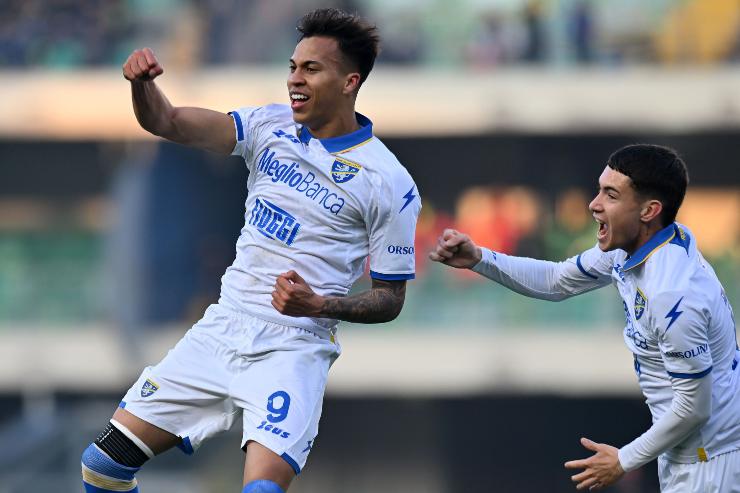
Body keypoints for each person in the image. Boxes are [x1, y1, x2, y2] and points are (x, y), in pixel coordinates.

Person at [81, 8, 421, 493]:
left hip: (293, 346)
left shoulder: (389, 183)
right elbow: (167, 121)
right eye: (293, 67)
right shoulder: (267, 125)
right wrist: (142, 86)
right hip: (223, 326)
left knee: (261, 490)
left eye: (311, 69)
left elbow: (390, 299)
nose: (295, 79)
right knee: (102, 467)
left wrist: (319, 305)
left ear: (350, 82)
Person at [430, 144, 739, 492]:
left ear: (649, 211)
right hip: (689, 454)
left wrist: (623, 460)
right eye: (599, 190)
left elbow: (695, 407)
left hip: (710, 463)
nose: (594, 204)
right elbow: (557, 279)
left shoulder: (672, 294)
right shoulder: (634, 248)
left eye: (611, 195)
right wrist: (479, 258)